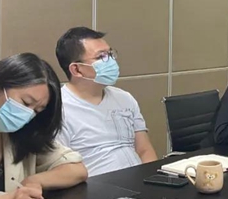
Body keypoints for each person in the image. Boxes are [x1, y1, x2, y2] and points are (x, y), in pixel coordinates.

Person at [0, 53, 87, 199]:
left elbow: (76, 169)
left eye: (36, 111)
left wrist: (34, 180)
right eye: (25, 102)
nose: (27, 115)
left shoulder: (20, 134)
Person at [55, 27, 158, 177]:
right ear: (76, 69)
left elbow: (144, 150)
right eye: (101, 56)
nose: (110, 61)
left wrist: (152, 180)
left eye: (110, 54)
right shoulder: (58, 109)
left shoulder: (124, 98)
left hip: (139, 181)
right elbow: (62, 169)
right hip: (95, 187)